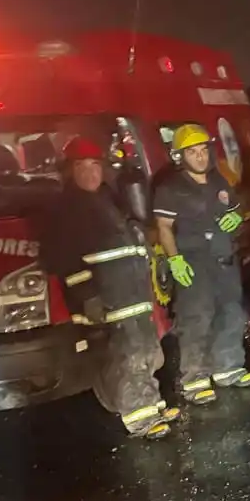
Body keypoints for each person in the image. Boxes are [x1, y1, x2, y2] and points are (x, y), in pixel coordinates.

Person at [40, 136, 178, 439]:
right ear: (68, 171)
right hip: (108, 298)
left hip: (133, 293)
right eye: (81, 166)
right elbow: (60, 261)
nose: (90, 173)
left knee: (145, 350)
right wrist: (88, 296)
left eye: (95, 166)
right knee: (126, 355)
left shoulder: (110, 199)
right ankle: (139, 417)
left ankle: (151, 404)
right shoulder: (64, 210)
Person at [152, 124, 250, 405]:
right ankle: (195, 380)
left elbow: (236, 208)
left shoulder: (218, 180)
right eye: (192, 152)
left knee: (231, 313)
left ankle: (228, 367)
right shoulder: (170, 188)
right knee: (196, 319)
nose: (200, 157)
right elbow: (163, 227)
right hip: (193, 261)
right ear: (179, 156)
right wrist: (174, 259)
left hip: (224, 259)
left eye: (203, 151)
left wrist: (237, 218)